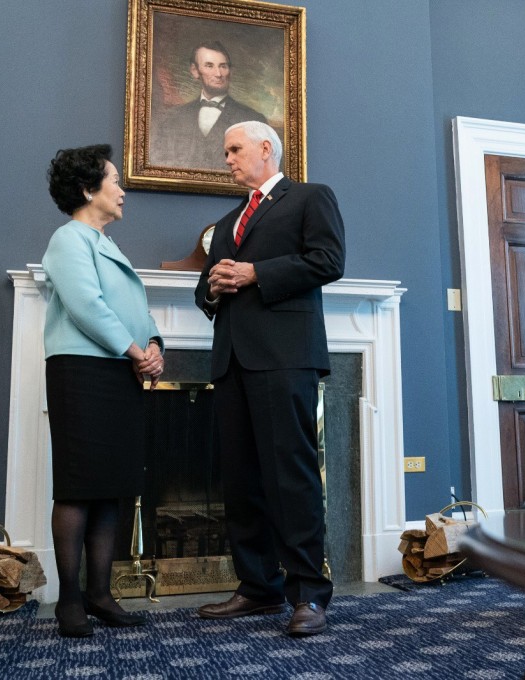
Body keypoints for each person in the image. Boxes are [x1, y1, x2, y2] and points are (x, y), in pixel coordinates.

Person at [194, 121, 345, 636]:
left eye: (234, 149)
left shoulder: (310, 197)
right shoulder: (226, 222)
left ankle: (308, 595)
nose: (227, 159)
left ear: (265, 148)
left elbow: (328, 260)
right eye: (225, 151)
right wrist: (214, 287)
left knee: (291, 476)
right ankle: (258, 588)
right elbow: (205, 294)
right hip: (232, 362)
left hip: (286, 357)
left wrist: (255, 273)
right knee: (241, 482)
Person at [43, 144, 165, 638]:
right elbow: (87, 307)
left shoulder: (106, 243)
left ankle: (100, 594)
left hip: (119, 371)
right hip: (82, 371)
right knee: (79, 485)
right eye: (114, 180)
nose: (122, 189)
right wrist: (138, 352)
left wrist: (154, 343)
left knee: (112, 486)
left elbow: (136, 307)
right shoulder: (68, 239)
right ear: (88, 189)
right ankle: (69, 600)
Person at [150, 41, 268, 170]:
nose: (218, 74)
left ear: (230, 71)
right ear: (195, 71)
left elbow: (260, 171)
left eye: (223, 66)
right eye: (209, 66)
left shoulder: (254, 120)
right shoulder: (172, 118)